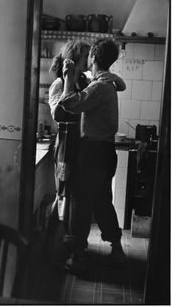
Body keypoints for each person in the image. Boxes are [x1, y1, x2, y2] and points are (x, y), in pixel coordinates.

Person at [59, 38, 127, 272]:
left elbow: (69, 103)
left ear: (94, 58)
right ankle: (117, 250)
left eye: (89, 56)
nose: (87, 59)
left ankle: (77, 257)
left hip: (93, 153)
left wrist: (68, 76)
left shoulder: (99, 87)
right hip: (105, 152)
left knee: (82, 204)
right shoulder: (106, 82)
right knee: (101, 202)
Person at [45, 39, 91, 267]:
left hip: (82, 146)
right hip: (65, 147)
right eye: (85, 56)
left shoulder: (87, 81)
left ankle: (72, 247)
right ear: (73, 59)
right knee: (64, 197)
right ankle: (53, 244)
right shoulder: (58, 84)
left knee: (77, 199)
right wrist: (67, 81)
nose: (88, 59)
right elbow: (59, 116)